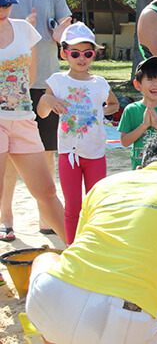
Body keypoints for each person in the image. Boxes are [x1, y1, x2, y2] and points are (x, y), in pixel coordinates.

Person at [24, 133, 157, 344]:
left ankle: (52, 338)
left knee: (44, 259)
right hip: (128, 323)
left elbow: (76, 248)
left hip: (52, 302)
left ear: (141, 167)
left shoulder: (103, 186)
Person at [1, 0, 72, 237]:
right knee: (7, 167)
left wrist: (60, 36)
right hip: (6, 99)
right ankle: (6, 219)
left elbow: (65, 25)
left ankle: (52, 225)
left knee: (45, 157)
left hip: (42, 85)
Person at [37, 22, 119, 244]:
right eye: (75, 53)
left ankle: (94, 245)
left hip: (95, 153)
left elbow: (113, 104)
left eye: (87, 53)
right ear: (64, 54)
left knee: (96, 203)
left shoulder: (99, 83)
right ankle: (72, 247)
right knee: (72, 206)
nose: (81, 58)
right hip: (69, 154)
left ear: (94, 54)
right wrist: (48, 100)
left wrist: (101, 112)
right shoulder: (57, 81)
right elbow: (42, 113)